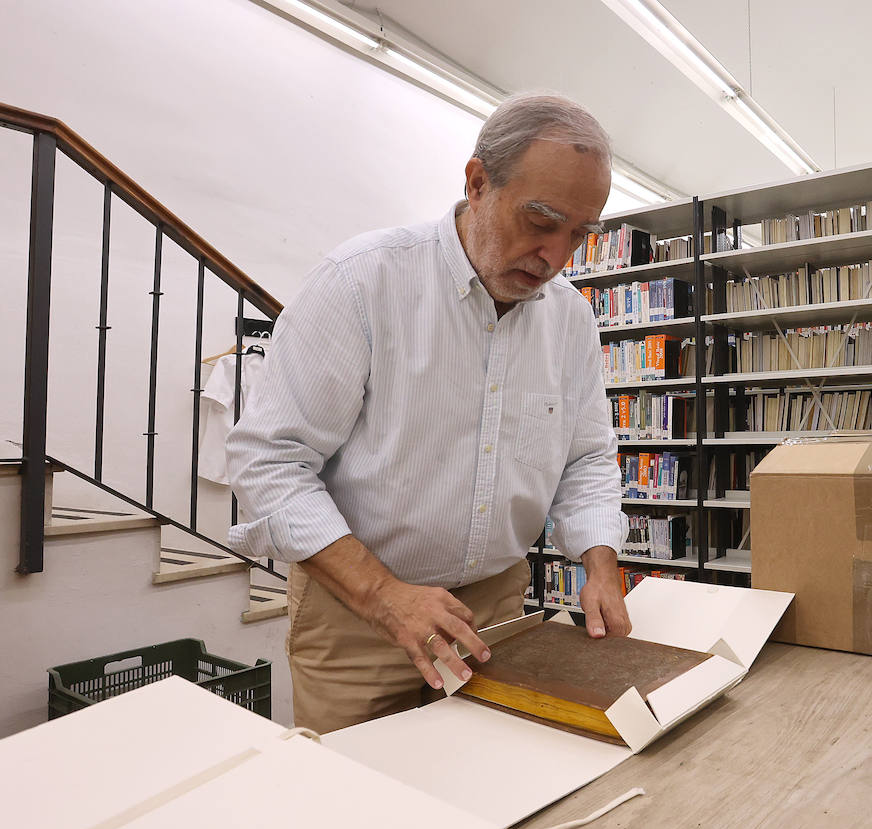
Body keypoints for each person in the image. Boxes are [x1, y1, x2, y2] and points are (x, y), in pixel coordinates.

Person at [226, 93, 630, 734]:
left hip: (498, 608)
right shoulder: (361, 282)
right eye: (540, 220)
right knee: (361, 805)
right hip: (361, 616)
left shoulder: (570, 317)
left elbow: (584, 458)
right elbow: (270, 462)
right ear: (477, 183)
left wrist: (601, 564)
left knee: (488, 789)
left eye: (579, 234)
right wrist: (384, 598)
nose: (556, 257)